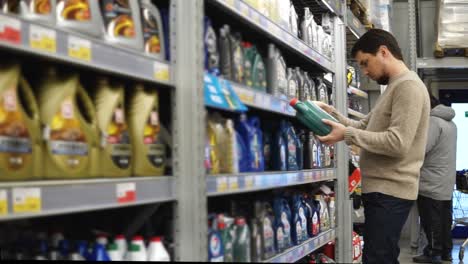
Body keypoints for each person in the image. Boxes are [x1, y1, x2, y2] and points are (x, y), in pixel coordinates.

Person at [314, 29, 430, 264]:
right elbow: (364, 126)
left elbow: (398, 143)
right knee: (381, 257)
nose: (365, 72)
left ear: (384, 52)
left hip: (391, 191)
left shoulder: (408, 87)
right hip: (383, 191)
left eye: (366, 63)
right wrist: (331, 113)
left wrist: (346, 134)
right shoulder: (396, 87)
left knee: (378, 258)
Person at [413, 95, 457, 264]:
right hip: (445, 180)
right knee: (445, 219)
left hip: (431, 181)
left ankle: (432, 252)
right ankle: (446, 252)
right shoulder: (451, 123)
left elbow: (422, 149)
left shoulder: (433, 122)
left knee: (431, 220)